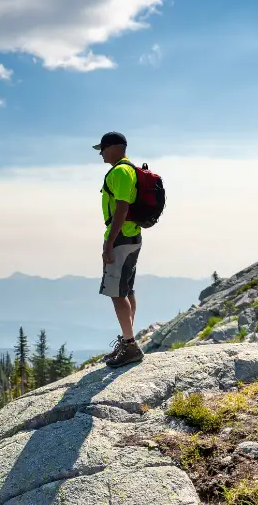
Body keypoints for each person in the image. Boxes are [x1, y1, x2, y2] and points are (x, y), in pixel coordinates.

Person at [93, 131, 144, 368]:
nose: (101, 154)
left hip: (121, 238)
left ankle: (130, 345)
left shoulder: (121, 171)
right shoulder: (128, 169)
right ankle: (127, 341)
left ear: (113, 147)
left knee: (117, 292)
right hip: (131, 236)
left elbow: (122, 207)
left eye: (102, 149)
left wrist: (109, 242)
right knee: (126, 288)